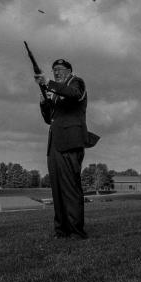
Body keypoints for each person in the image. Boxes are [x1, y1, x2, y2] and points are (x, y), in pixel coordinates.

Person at [36, 58, 98, 239]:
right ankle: (61, 230)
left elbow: (74, 94)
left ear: (70, 70)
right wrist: (43, 102)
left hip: (71, 142)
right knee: (57, 190)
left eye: (61, 69)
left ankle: (76, 230)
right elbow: (50, 118)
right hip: (54, 143)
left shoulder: (77, 82)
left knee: (71, 188)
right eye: (54, 69)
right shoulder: (55, 91)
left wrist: (48, 83)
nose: (57, 72)